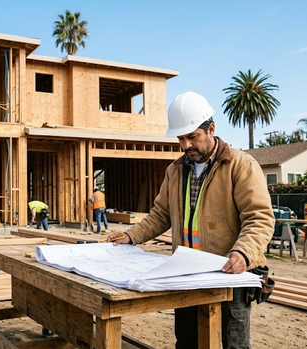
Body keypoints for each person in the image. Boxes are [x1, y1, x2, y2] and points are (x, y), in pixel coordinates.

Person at [107, 91, 275, 349]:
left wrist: (243, 252)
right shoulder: (175, 170)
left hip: (228, 276)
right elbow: (160, 215)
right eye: (180, 138)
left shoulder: (241, 165)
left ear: (211, 129)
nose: (186, 145)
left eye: (192, 137)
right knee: (187, 342)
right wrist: (131, 235)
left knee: (233, 345)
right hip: (186, 275)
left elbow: (259, 218)